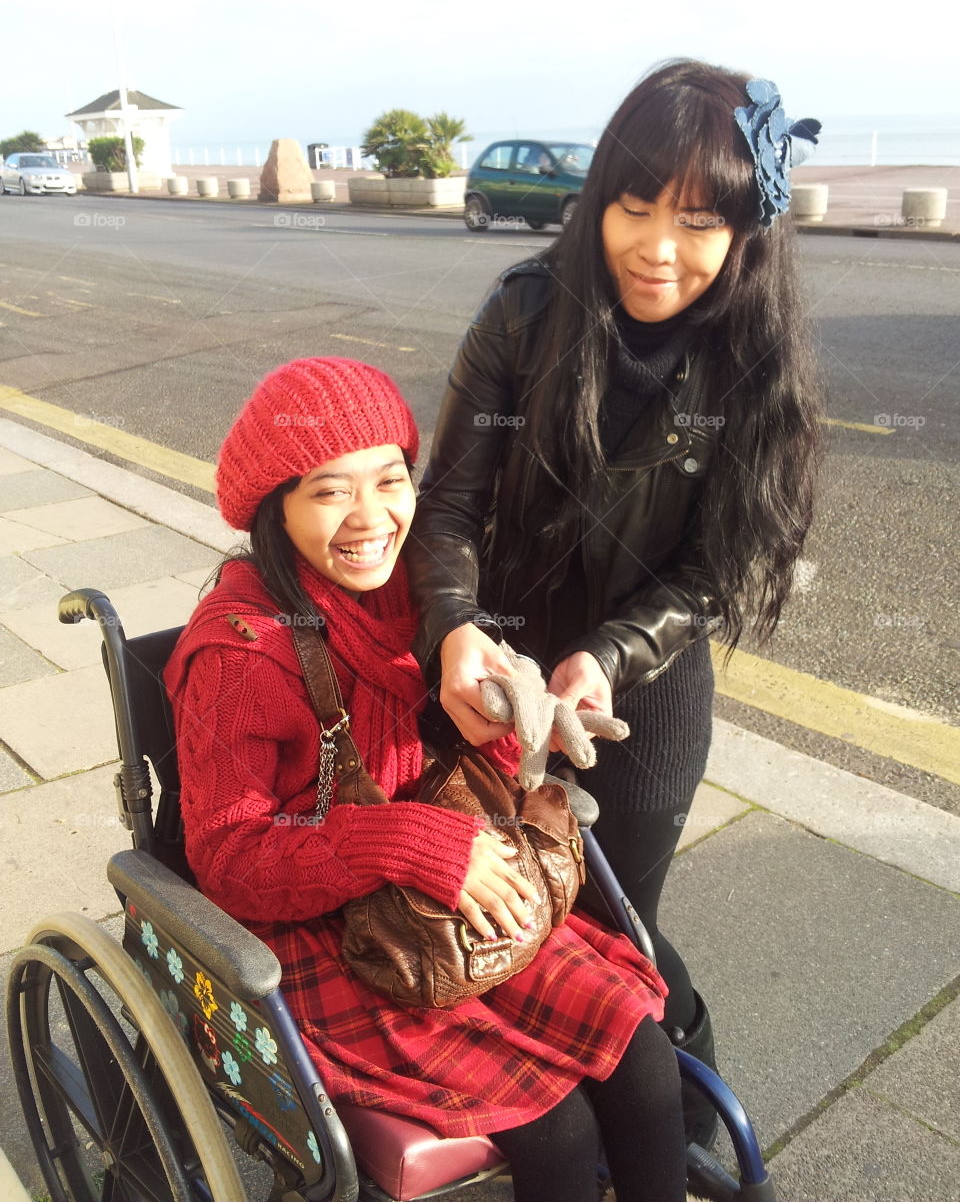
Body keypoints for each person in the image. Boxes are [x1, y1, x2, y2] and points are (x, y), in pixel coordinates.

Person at [405, 59, 824, 1145]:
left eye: (695, 219)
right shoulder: (525, 312)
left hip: (638, 693)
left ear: (746, 225)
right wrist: (454, 630)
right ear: (600, 200)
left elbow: (726, 563)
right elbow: (445, 505)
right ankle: (579, 1123)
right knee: (510, 909)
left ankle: (691, 1131)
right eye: (634, 207)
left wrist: (607, 653)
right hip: (494, 679)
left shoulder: (752, 356)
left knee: (618, 925)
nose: (658, 246)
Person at [163, 356, 694, 1202]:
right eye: (330, 491)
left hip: (456, 881)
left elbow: (452, 755)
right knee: (557, 1136)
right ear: (277, 506)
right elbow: (228, 857)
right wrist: (410, 844)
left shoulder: (423, 602)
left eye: (390, 480)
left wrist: (518, 715)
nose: (372, 518)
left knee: (648, 1062)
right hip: (329, 923)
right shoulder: (240, 652)